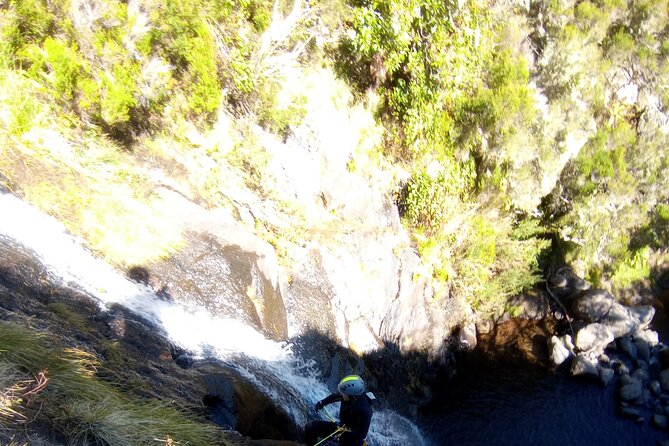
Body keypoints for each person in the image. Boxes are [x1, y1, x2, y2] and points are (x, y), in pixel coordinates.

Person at [304, 375, 373, 446]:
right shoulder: (349, 394)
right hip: (341, 428)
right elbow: (336, 396)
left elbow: (362, 434)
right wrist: (322, 403)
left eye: (343, 393)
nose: (341, 394)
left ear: (353, 397)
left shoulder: (365, 411)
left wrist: (345, 434)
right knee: (310, 427)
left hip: (352, 439)